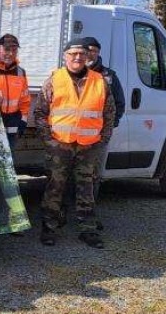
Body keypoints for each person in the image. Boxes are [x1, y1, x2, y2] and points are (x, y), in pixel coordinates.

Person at [33, 38, 116, 249]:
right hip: (60, 145)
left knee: (86, 187)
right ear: (65, 57)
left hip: (89, 146)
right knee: (55, 186)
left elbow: (109, 113)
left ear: (88, 56)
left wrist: (102, 140)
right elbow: (40, 112)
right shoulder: (54, 80)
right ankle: (49, 227)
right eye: (73, 54)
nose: (77, 57)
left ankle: (88, 229)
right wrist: (49, 141)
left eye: (81, 54)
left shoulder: (100, 81)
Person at [0, 34, 30, 149]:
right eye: (7, 49)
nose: (10, 53)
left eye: (14, 50)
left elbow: (25, 98)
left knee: (9, 155)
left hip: (13, 122)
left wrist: (24, 119)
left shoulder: (20, 72)